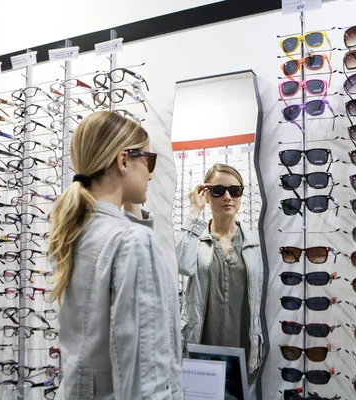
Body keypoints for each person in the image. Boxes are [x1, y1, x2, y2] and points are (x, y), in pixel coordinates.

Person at [48, 111, 182, 399]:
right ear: (123, 161)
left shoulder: (74, 232)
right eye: (148, 160)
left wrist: (132, 211)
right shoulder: (130, 242)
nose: (150, 172)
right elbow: (148, 379)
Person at [176, 163, 265, 399]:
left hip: (244, 352)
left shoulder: (255, 243)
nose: (228, 197)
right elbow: (181, 264)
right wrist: (194, 211)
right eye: (218, 190)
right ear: (206, 193)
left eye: (235, 191)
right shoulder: (197, 239)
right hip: (201, 351)